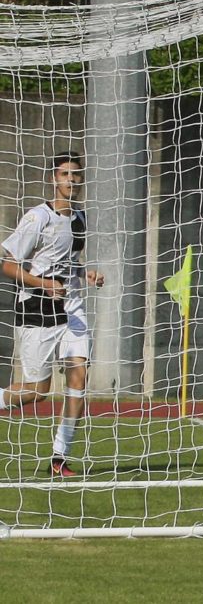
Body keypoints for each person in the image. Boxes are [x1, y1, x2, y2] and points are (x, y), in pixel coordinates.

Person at [0, 151, 104, 477]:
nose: (71, 181)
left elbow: (70, 259)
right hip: (37, 308)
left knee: (79, 378)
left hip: (71, 308)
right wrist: (43, 283)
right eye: (65, 175)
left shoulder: (80, 217)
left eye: (76, 175)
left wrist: (86, 273)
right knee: (37, 390)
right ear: (53, 179)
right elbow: (7, 264)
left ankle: (60, 457)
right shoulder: (37, 218)